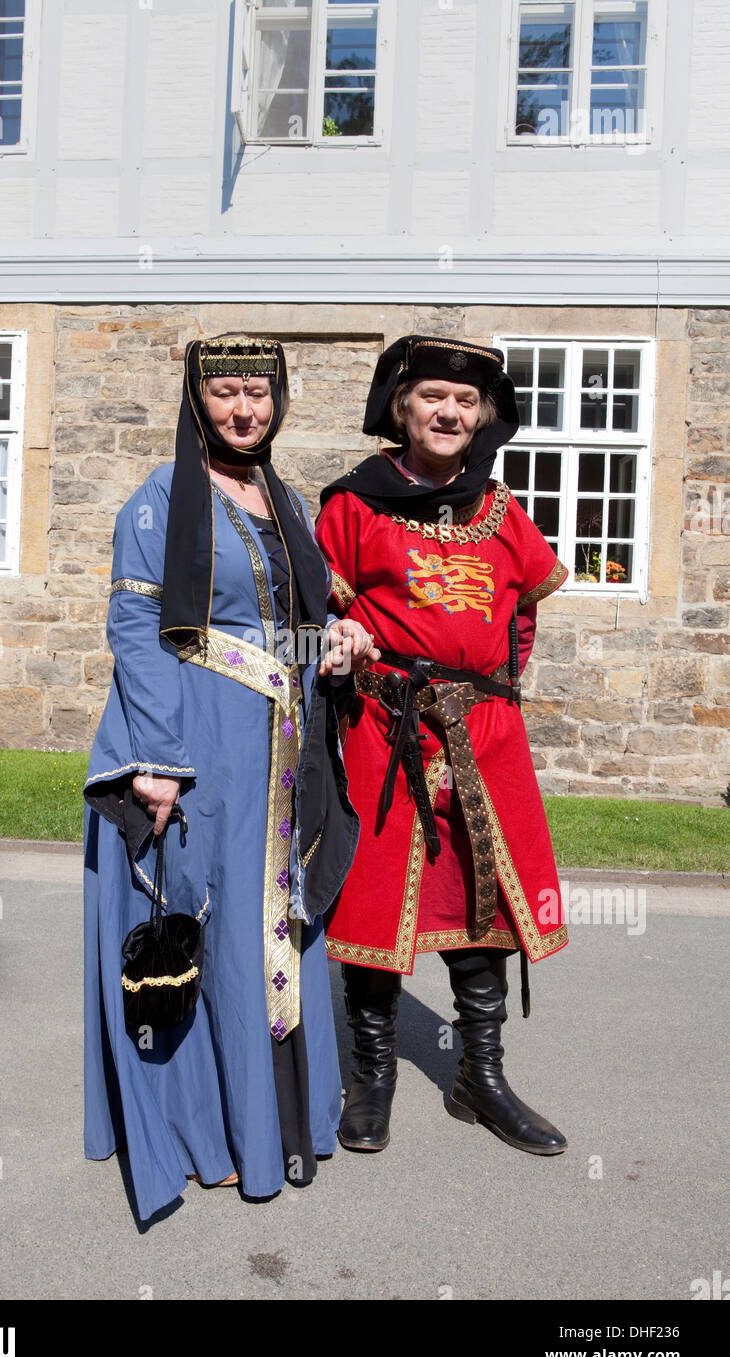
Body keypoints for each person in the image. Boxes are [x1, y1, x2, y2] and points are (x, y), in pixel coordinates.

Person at [82, 335, 377, 1221]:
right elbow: (137, 630)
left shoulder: (283, 499)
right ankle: (204, 1129)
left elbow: (290, 616)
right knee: (208, 925)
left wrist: (334, 642)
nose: (243, 410)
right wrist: (160, 762)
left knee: (271, 924)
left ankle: (277, 1120)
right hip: (198, 743)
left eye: (257, 393)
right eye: (225, 394)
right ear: (195, 399)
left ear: (278, 400)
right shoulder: (164, 496)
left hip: (278, 747)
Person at [314, 335, 569, 1158]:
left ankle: (479, 1077)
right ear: (401, 407)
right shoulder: (354, 504)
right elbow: (327, 612)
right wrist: (349, 650)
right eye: (432, 397)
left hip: (485, 731)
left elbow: (521, 614)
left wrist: (496, 687)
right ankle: (373, 1075)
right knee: (376, 899)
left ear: (481, 418)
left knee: (484, 898)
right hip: (388, 729)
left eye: (465, 403)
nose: (449, 412)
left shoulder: (501, 508)